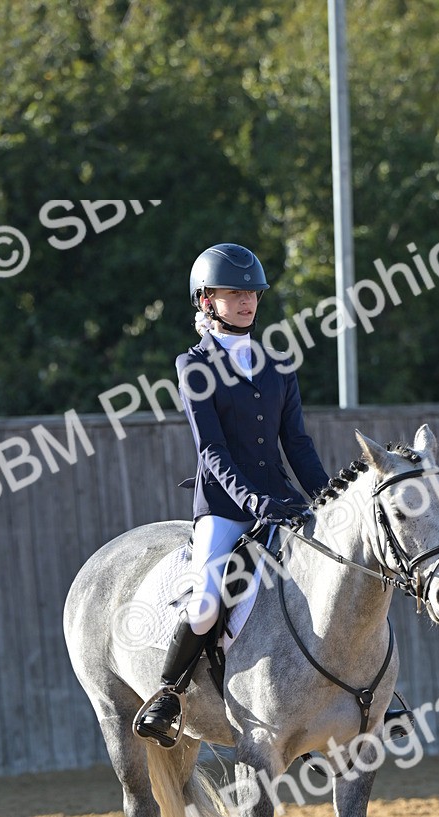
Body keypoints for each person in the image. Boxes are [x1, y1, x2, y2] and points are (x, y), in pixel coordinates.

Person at [135, 242, 330, 745]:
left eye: (253, 294)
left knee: (336, 576)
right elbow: (212, 451)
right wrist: (254, 502)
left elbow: (299, 446)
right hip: (224, 508)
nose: (247, 302)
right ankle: (168, 694)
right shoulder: (193, 365)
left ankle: (355, 697)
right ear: (207, 301)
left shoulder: (278, 364)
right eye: (234, 293)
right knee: (203, 605)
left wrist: (327, 498)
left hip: (282, 504)